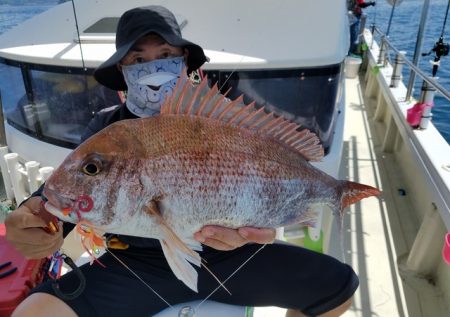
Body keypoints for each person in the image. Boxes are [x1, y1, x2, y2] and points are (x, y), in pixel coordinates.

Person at [5, 6, 358, 317]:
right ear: (123, 70)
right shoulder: (108, 130)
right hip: (134, 265)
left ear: (184, 62)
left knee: (339, 289)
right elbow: (66, 195)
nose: (153, 67)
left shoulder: (225, 120)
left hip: (231, 256)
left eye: (165, 54)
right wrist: (34, 215)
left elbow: (259, 182)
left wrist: (258, 225)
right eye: (138, 59)